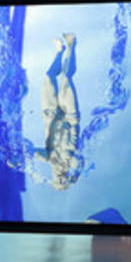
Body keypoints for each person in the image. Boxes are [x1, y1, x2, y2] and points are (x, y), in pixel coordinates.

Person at [38, 33, 81, 190]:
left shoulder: (48, 158)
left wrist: (16, 159)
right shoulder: (70, 161)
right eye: (61, 182)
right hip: (69, 117)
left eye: (56, 181)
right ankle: (72, 45)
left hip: (50, 115)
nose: (58, 178)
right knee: (66, 80)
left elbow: (30, 152)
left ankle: (60, 51)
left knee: (48, 78)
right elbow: (79, 163)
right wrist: (74, 176)